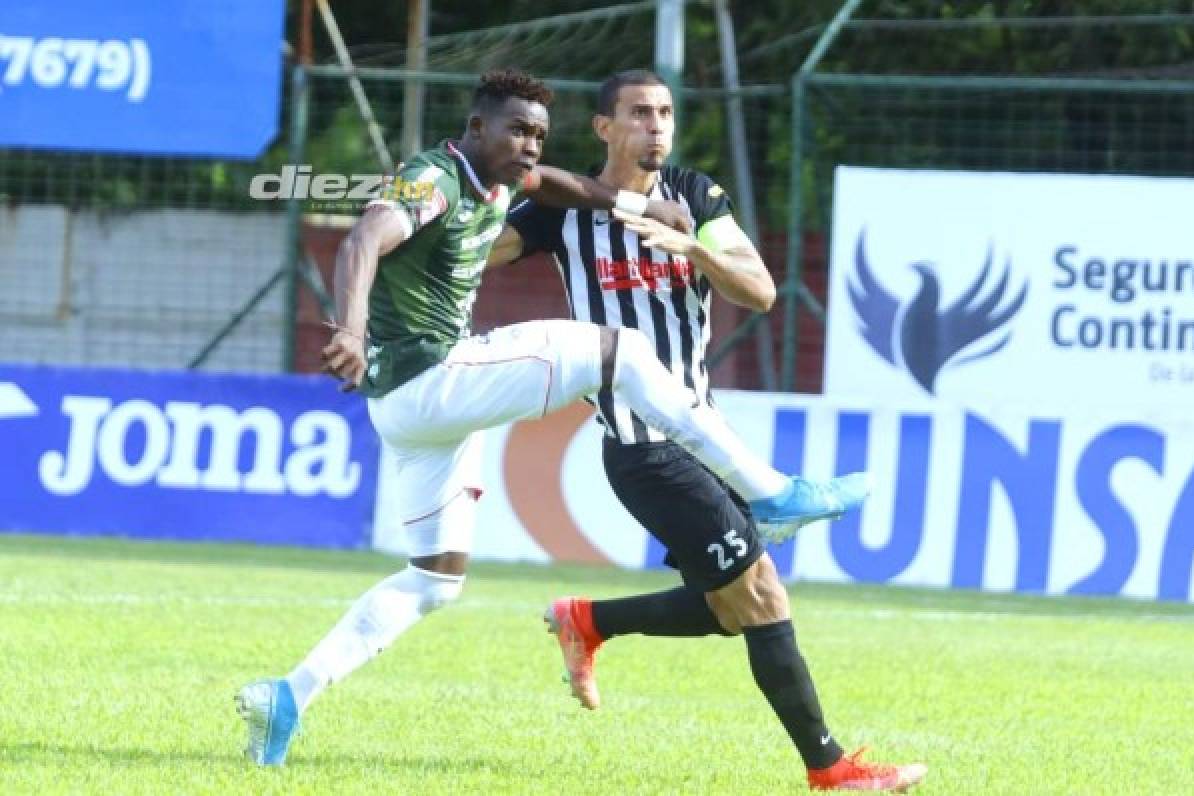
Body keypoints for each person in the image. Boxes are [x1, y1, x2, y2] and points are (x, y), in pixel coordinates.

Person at [234, 68, 867, 767]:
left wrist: (646, 209)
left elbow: (570, 188)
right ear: (476, 128)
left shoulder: (512, 180)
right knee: (619, 350)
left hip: (411, 415)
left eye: (538, 133)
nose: (531, 145)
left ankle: (287, 697)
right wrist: (350, 330)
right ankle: (772, 492)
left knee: (434, 580)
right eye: (517, 130)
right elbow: (361, 241)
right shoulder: (433, 178)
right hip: (431, 377)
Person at [492, 70, 925, 792]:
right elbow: (477, 254)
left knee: (731, 612)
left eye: (664, 112)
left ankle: (587, 620)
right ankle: (831, 768)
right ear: (604, 128)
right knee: (761, 593)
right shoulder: (561, 212)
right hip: (641, 448)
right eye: (638, 113)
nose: (656, 125)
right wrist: (443, 206)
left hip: (701, 435)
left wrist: (690, 246)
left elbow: (758, 291)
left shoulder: (695, 195)